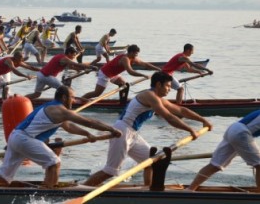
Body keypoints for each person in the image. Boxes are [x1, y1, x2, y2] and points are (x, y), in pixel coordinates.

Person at [0, 86, 122, 188]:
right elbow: (89, 121)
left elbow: (68, 126)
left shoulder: (52, 107)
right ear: (64, 97)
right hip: (24, 138)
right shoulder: (59, 110)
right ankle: (49, 194)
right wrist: (111, 129)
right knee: (54, 162)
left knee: (4, 177)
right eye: (72, 98)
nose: (74, 101)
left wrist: (87, 134)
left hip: (16, 137)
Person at [83, 71, 213, 187]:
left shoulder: (158, 98)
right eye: (167, 86)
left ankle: (147, 191)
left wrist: (203, 120)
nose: (169, 89)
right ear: (158, 85)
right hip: (121, 132)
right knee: (110, 171)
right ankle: (81, 189)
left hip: (132, 133)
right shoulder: (149, 96)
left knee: (152, 162)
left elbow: (181, 110)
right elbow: (168, 117)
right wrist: (190, 130)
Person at [187, 110, 260, 191]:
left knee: (215, 165)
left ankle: (190, 189)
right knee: (259, 164)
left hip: (233, 128)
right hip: (241, 133)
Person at [82, 44, 161, 99]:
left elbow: (145, 64)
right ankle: (80, 100)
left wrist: (158, 69)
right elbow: (130, 71)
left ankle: (122, 101)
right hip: (105, 73)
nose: (136, 56)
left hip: (113, 74)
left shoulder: (133, 58)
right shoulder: (125, 59)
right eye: (135, 54)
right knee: (97, 93)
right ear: (131, 52)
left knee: (123, 85)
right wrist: (143, 75)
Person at [25, 47, 98, 100]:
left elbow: (74, 67)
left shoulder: (62, 57)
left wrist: (86, 70)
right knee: (64, 90)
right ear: (69, 53)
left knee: (36, 94)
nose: (73, 57)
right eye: (73, 55)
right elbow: (77, 64)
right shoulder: (64, 58)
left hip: (41, 74)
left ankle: (22, 99)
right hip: (46, 76)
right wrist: (91, 66)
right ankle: (60, 104)